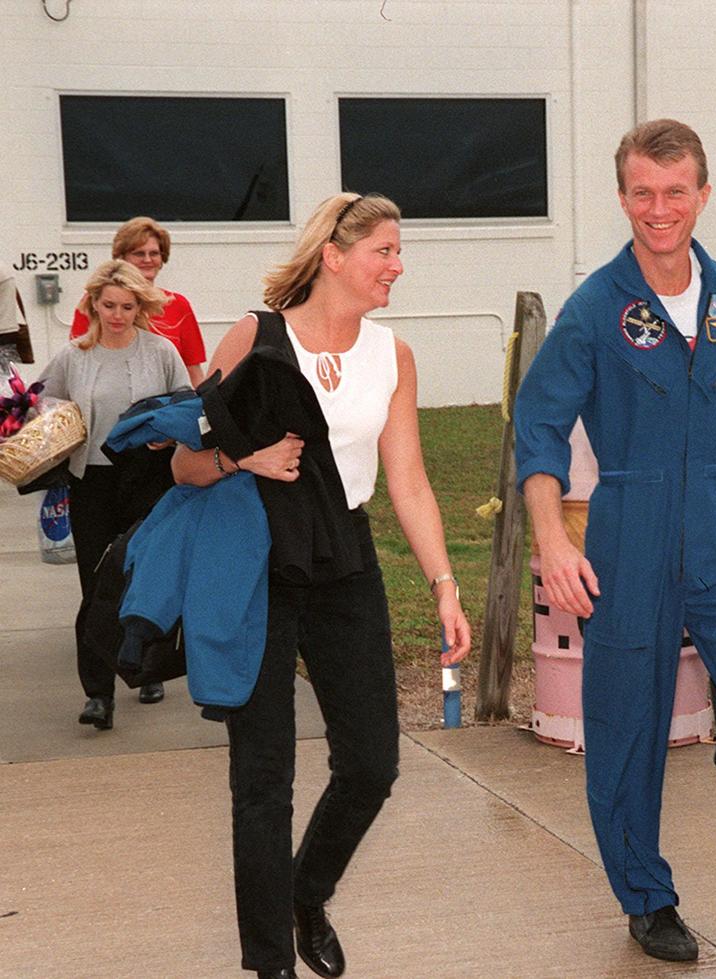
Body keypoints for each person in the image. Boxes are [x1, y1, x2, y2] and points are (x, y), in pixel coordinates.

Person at [515, 119, 716, 979]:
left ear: (703, 195)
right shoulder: (596, 308)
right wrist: (554, 541)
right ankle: (646, 897)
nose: (658, 210)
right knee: (626, 728)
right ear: (624, 197)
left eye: (674, 192)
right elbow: (539, 430)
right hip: (630, 537)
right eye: (641, 193)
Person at [172, 192, 472, 979]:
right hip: (256, 564)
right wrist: (247, 458)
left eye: (398, 251)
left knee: (373, 762)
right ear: (334, 256)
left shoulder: (391, 355)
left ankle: (307, 892)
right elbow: (182, 463)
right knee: (263, 778)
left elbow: (407, 478)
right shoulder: (255, 337)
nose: (397, 265)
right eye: (384, 250)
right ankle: (271, 961)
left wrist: (443, 583)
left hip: (345, 557)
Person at [37, 260, 190, 728]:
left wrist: (168, 432)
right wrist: (52, 421)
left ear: (140, 307)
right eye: (109, 306)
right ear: (93, 305)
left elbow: (187, 403)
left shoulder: (161, 351)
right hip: (93, 480)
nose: (118, 315)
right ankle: (98, 693)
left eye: (127, 306)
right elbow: (44, 399)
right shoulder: (74, 355)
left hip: (149, 478)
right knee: (95, 583)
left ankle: (147, 669)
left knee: (146, 577)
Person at [71, 216, 207, 386]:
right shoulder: (95, 303)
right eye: (139, 253)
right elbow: (77, 364)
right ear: (121, 258)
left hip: (166, 409)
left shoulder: (178, 305)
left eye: (154, 253)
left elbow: (193, 371)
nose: (148, 260)